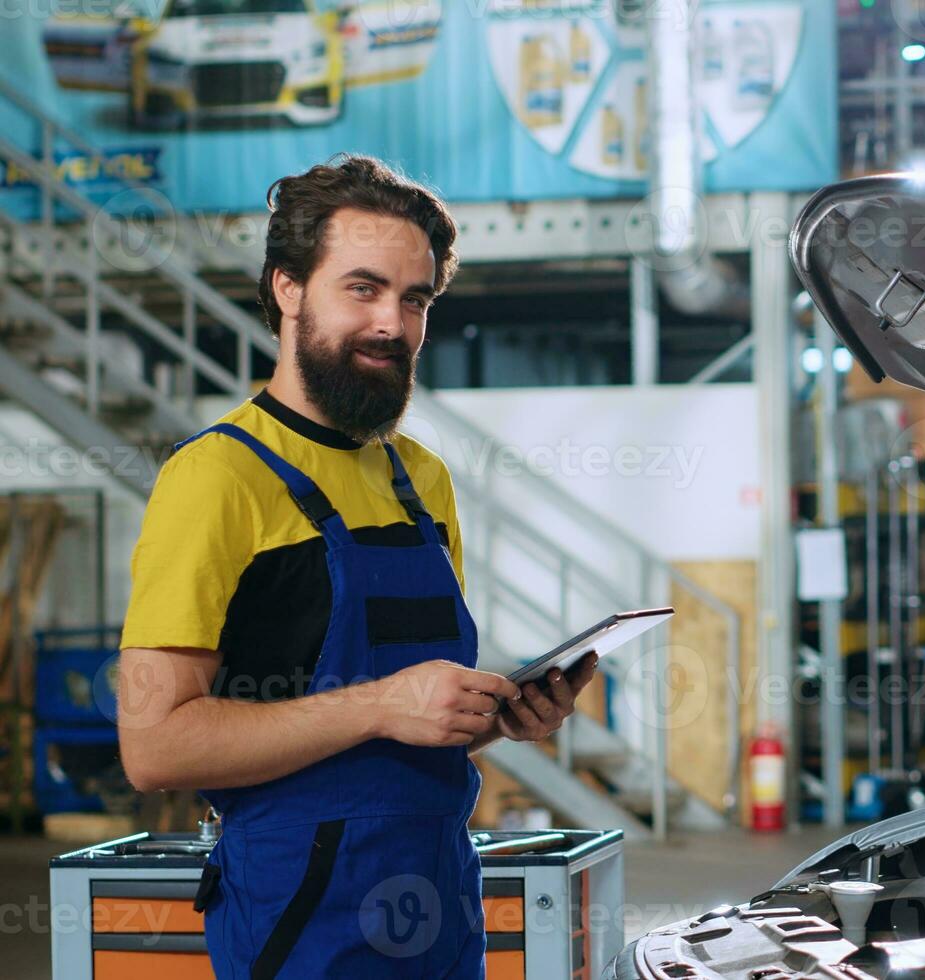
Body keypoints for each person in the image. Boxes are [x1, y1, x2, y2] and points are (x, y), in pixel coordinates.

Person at [115, 154, 596, 978]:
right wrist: (382, 705)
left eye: (414, 300)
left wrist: (498, 713)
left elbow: (406, 714)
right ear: (287, 289)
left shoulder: (422, 479)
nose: (393, 325)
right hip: (300, 918)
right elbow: (155, 746)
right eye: (363, 289)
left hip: (438, 898)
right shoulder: (214, 477)